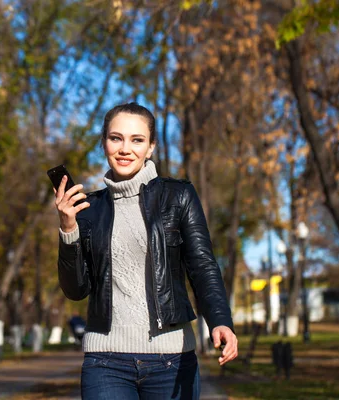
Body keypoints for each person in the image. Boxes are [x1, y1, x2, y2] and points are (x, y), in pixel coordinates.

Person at [54, 102, 238, 399]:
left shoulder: (178, 196)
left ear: (150, 147)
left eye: (137, 140)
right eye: (116, 138)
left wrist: (220, 322)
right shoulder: (88, 210)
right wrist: (67, 229)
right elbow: (76, 290)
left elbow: (202, 266)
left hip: (172, 359)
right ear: (104, 144)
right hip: (106, 360)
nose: (125, 148)